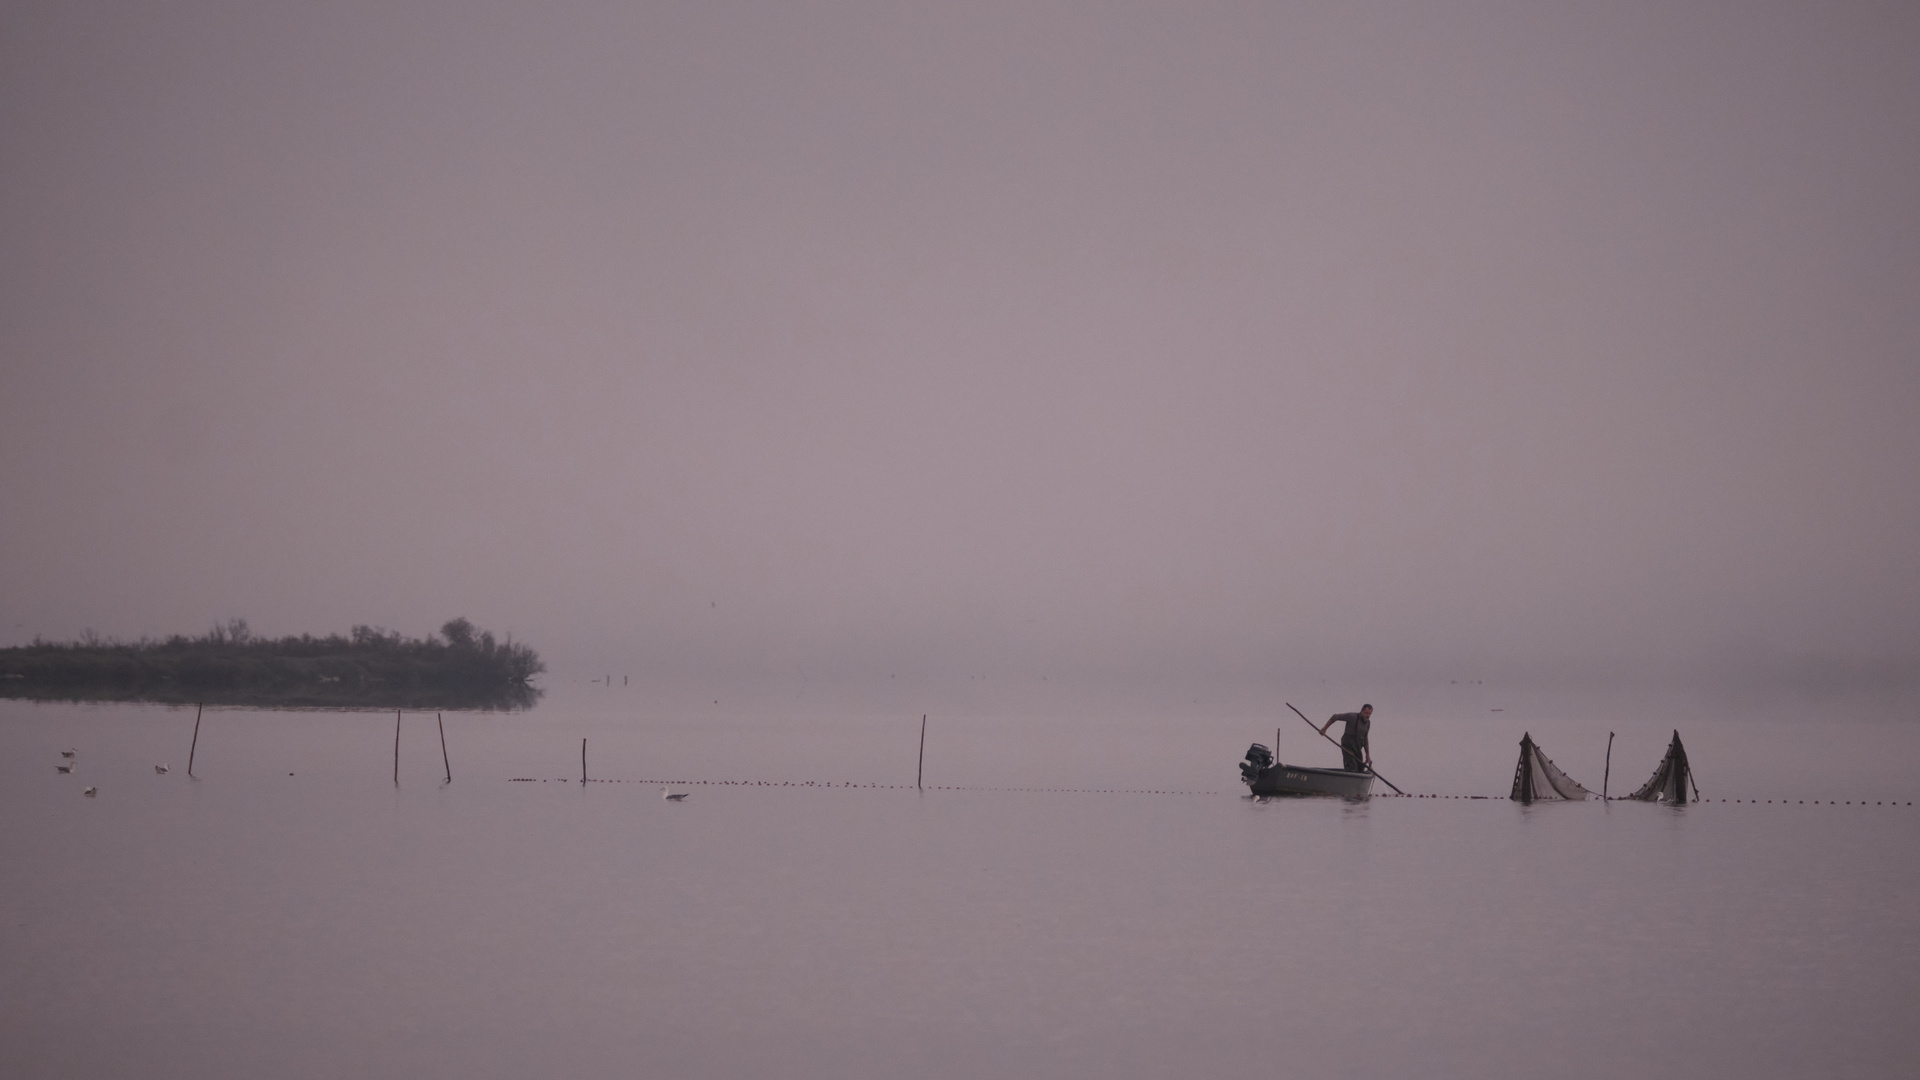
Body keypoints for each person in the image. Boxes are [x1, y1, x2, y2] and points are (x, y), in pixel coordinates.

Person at [1320, 704, 1373, 773]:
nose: (1368, 715)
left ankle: (1358, 780)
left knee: (1361, 767)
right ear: (1361, 711)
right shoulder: (1352, 717)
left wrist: (1367, 755)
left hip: (1357, 748)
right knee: (1352, 766)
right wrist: (1324, 729)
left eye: (1370, 714)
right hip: (1347, 746)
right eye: (1366, 713)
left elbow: (1365, 739)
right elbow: (1335, 717)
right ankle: (1351, 779)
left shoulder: (1368, 723)